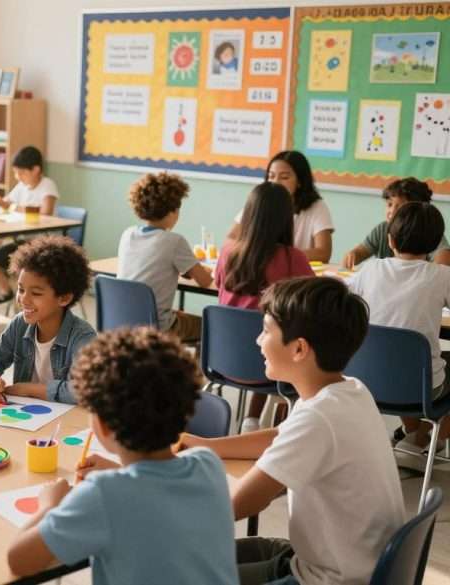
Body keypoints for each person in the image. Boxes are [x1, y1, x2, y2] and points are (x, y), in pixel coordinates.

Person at [180, 277, 405, 585]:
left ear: (299, 348)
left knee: (178, 570)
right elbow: (280, 437)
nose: (258, 341)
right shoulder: (347, 390)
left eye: (266, 331)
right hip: (345, 562)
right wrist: (207, 445)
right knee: (189, 558)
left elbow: (240, 504)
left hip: (329, 578)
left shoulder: (319, 418)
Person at [6, 328, 238, 585]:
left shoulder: (102, 495)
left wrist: (49, 505)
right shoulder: (208, 463)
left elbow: (18, 561)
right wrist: (118, 471)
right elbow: (154, 494)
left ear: (102, 426)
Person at [347, 202, 450, 453]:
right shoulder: (441, 276)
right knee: (428, 365)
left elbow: (340, 300)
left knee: (401, 358)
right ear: (436, 243)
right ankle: (428, 438)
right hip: (420, 387)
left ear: (390, 240)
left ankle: (414, 434)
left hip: (366, 379)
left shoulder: (370, 269)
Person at [217, 182, 313, 433]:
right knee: (296, 339)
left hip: (223, 361)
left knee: (266, 330)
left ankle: (252, 419)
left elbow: (218, 286)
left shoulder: (227, 252)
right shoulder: (294, 258)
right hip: (269, 364)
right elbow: (313, 298)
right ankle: (281, 426)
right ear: (286, 218)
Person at [0, 235, 94, 404]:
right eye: (21, 289)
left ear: (64, 298)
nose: (23, 299)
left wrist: (28, 389)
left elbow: (83, 390)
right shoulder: (20, 324)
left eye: (36, 293)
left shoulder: (83, 337)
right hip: (25, 419)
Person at [118, 172, 213, 341]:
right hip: (157, 327)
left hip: (122, 321)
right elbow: (205, 281)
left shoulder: (128, 234)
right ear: (172, 212)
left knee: (178, 314)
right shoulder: (174, 241)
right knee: (210, 325)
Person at [228, 151, 334, 262]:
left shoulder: (317, 207)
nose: (276, 182)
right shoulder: (259, 202)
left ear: (300, 181)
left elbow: (323, 252)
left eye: (284, 177)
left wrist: (281, 257)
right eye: (271, 176)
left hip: (297, 273)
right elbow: (231, 239)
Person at [0, 146, 59, 303]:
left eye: (22, 172)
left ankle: (25, 302)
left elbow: (46, 212)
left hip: (42, 244)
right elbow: (6, 203)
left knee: (24, 270)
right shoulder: (21, 187)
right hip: (22, 242)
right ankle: (7, 292)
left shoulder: (47, 185)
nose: (18, 177)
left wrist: (9, 207)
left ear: (36, 169)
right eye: (15, 172)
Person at [342, 177, 450, 268]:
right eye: (389, 204)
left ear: (418, 210)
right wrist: (353, 255)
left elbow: (444, 263)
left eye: (401, 207)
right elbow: (361, 251)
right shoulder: (383, 229)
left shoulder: (429, 231)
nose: (392, 211)